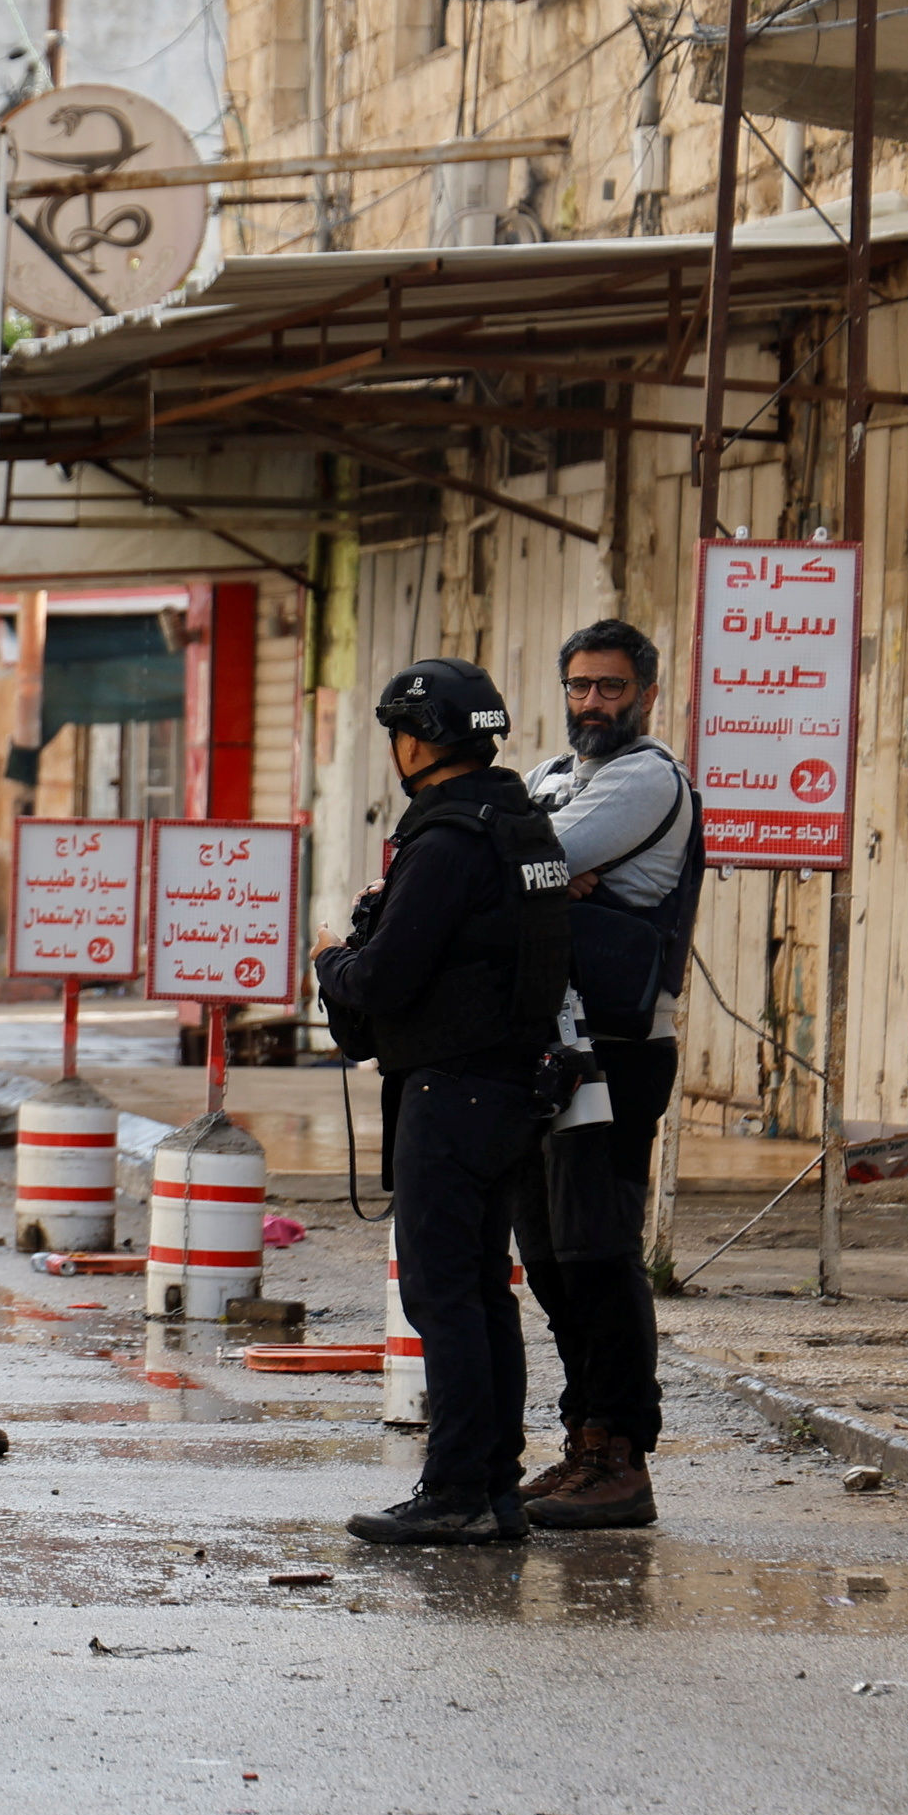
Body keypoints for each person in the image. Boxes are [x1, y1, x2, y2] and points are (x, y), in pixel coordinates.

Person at [314, 657, 574, 1547]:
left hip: (452, 1088)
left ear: (417, 740)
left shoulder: (447, 839)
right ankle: (494, 1490)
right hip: (510, 1086)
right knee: (479, 1289)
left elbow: (384, 979)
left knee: (441, 1291)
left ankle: (457, 1487)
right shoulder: (522, 826)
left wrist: (328, 958)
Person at [514, 620, 701, 1531]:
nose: (593, 703)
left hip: (618, 1052)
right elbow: (508, 860)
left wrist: (541, 867)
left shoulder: (645, 778)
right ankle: (582, 1439)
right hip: (548, 1047)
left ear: (647, 693)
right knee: (548, 1256)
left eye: (612, 688)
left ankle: (621, 1454)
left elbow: (506, 862)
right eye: (581, 686)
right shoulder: (553, 776)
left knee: (596, 1251)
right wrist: (544, 867)